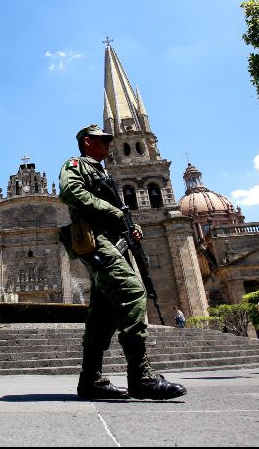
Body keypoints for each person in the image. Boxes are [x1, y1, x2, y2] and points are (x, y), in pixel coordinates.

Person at [59, 124, 186, 401]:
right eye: (103, 140)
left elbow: (117, 211)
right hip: (95, 240)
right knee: (131, 291)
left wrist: (132, 227)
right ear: (88, 142)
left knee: (101, 315)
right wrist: (111, 211)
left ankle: (90, 381)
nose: (109, 144)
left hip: (111, 240)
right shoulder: (76, 165)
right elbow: (69, 191)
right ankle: (141, 377)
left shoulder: (103, 172)